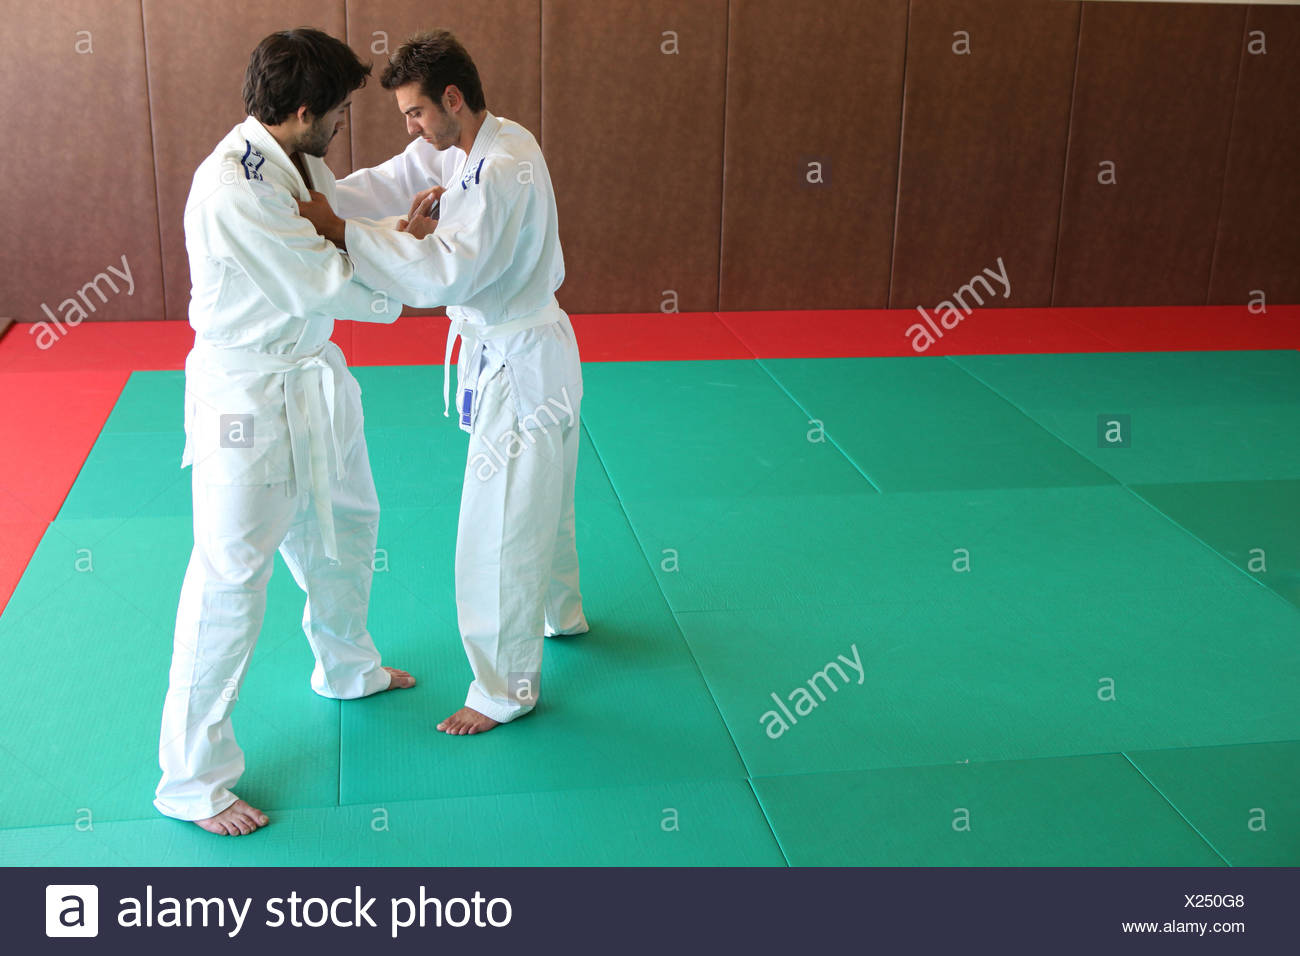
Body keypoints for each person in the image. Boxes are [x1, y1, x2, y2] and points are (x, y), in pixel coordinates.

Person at [155, 28, 416, 837]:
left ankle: (347, 667)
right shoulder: (233, 188)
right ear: (302, 110)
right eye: (335, 115)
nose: (340, 128)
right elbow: (328, 277)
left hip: (310, 379)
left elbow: (334, 220)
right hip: (247, 398)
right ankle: (190, 780)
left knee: (346, 528)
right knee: (232, 578)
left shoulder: (291, 156)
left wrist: (397, 232)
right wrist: (422, 266)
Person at [299, 30, 586, 737]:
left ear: (453, 98)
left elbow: (446, 273)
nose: (412, 127)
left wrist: (340, 232)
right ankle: (563, 612)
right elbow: (391, 180)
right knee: (542, 501)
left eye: (417, 112)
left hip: (521, 361)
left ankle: (503, 689)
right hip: (521, 352)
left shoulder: (503, 165)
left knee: (501, 529)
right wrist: (309, 191)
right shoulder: (470, 144)